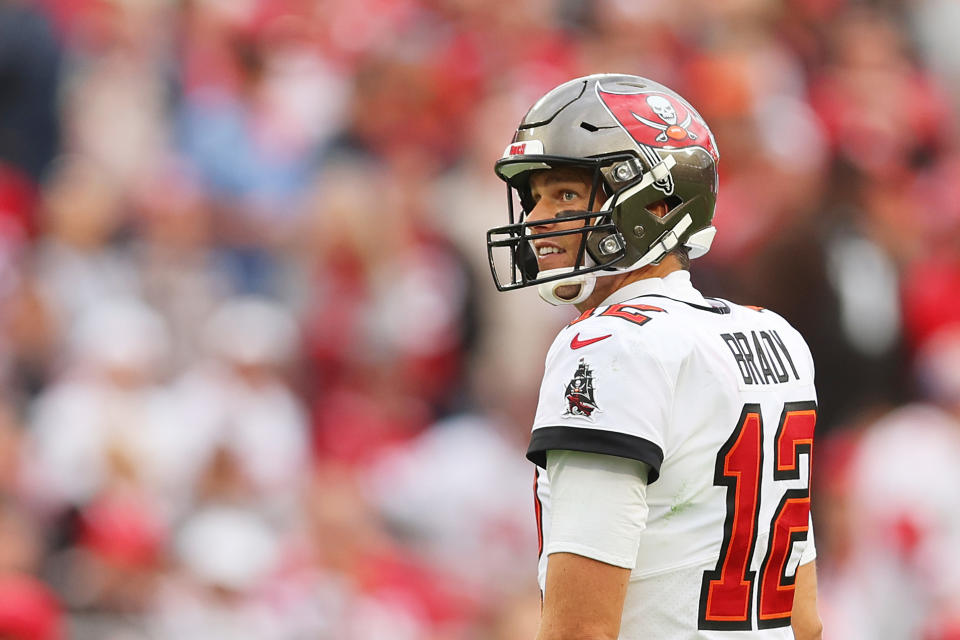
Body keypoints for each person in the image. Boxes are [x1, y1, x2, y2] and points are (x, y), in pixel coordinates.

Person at [486, 74, 823, 639]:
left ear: (657, 202)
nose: (539, 217)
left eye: (566, 193)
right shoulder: (775, 336)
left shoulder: (610, 343)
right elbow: (805, 621)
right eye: (536, 196)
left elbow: (581, 631)